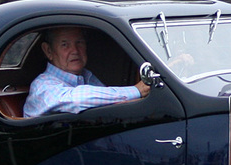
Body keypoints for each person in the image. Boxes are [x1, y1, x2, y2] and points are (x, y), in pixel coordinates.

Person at [22, 25, 150, 117]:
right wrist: (137, 90)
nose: (75, 51)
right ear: (49, 51)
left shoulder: (86, 76)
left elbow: (111, 105)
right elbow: (76, 100)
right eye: (65, 45)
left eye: (79, 42)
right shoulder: (42, 86)